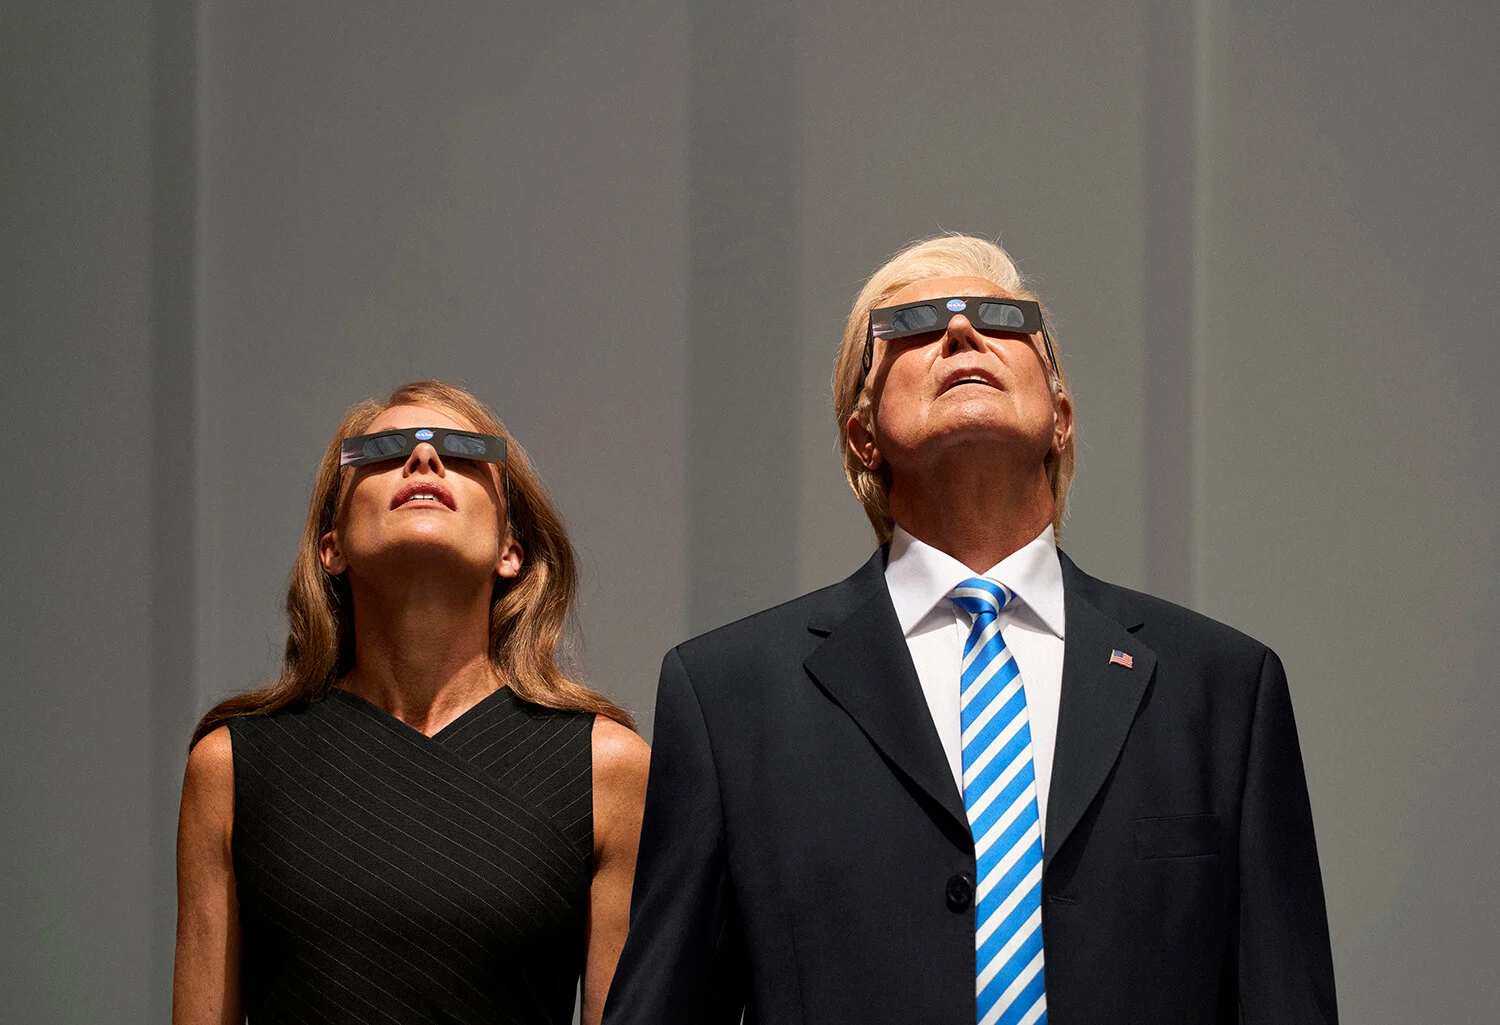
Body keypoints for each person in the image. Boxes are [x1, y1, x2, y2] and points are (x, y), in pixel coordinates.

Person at [603, 235, 1337, 1025]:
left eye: (1002, 318)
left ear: (1060, 417)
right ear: (862, 436)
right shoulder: (730, 699)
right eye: (915, 325)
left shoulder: (1222, 690)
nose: (961, 332)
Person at [174, 380, 649, 1025]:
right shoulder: (231, 767)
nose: (423, 459)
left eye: (462, 451)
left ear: (511, 549)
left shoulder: (607, 769)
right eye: (383, 451)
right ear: (331, 545)